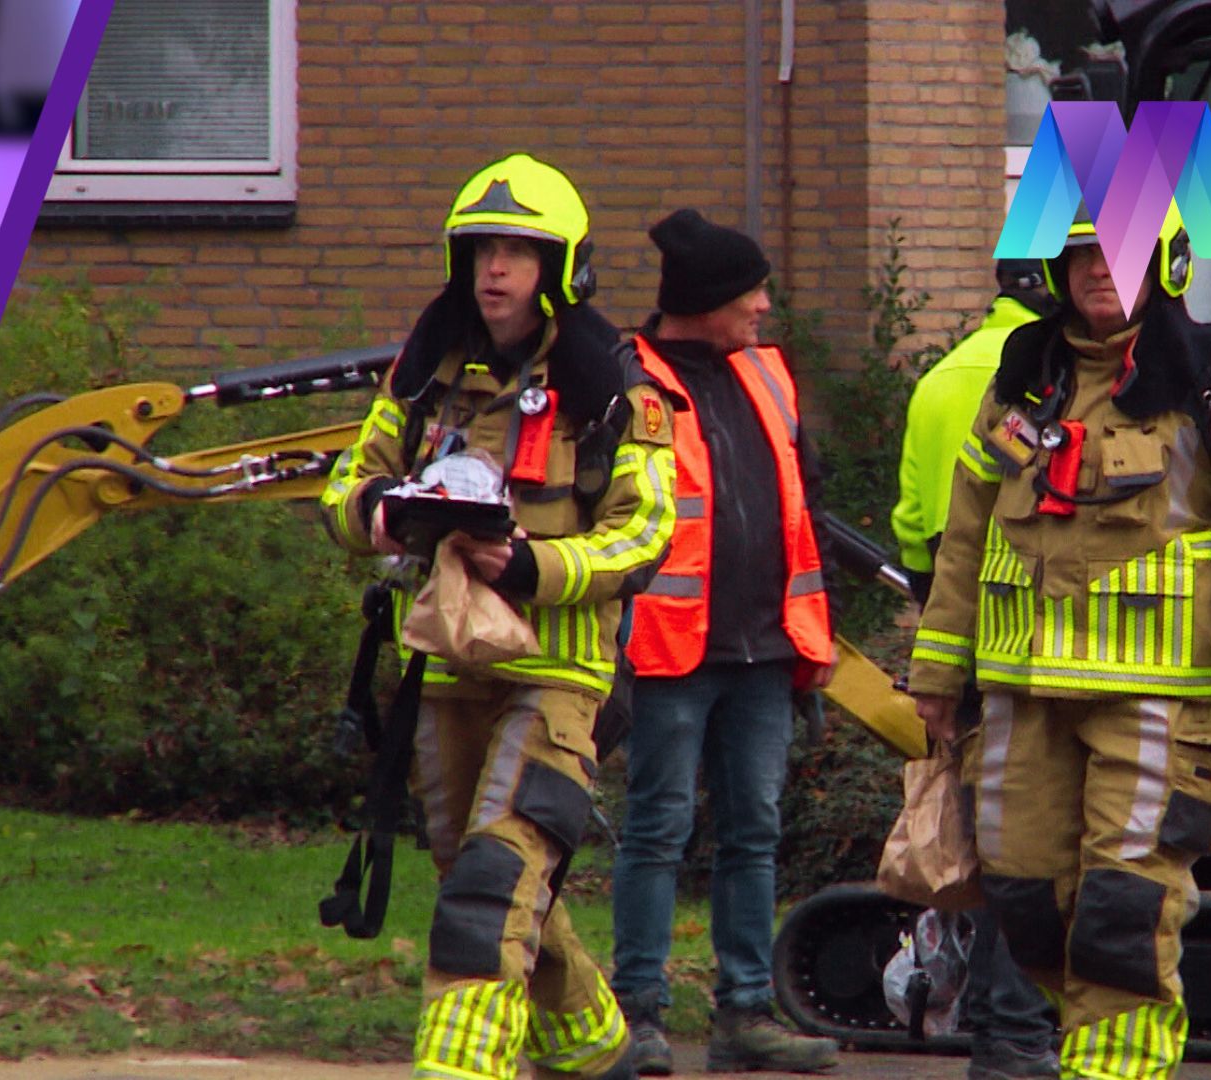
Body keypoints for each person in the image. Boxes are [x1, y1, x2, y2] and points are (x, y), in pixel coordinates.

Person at [907, 210, 1211, 1078]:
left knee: (1123, 911)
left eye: (1119, 252)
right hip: (1019, 694)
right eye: (1081, 253)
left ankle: (1112, 1069)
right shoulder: (1020, 381)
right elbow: (966, 536)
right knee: (1024, 902)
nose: (1098, 270)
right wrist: (939, 670)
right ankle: (1099, 1046)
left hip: (1158, 700)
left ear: (1165, 262)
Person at [321, 153, 677, 1080]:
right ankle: (600, 1050)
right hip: (444, 671)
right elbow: (344, 488)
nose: (495, 268)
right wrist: (385, 516)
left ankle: (460, 1069)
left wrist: (531, 566)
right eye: (482, 248)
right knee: (488, 886)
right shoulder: (427, 368)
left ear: (560, 269)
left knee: (488, 893)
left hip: (559, 681)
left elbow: (645, 535)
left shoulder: (614, 385)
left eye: (519, 250)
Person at [609, 208, 839, 1076]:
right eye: (752, 292)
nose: (765, 307)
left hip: (765, 651)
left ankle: (744, 1015)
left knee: (755, 832)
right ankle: (638, 1016)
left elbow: (801, 506)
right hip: (671, 651)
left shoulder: (768, 375)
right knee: (657, 831)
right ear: (707, 301)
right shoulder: (626, 380)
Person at [891, 260, 1060, 1080]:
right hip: (1041, 644)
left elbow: (924, 526)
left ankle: (995, 1018)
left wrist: (939, 652)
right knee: (1034, 855)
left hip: (963, 627)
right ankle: (1011, 1024)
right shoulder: (1043, 383)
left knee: (999, 843)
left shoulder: (944, 378)